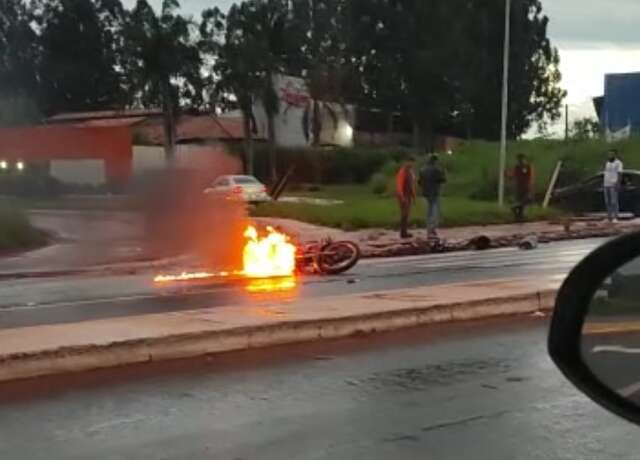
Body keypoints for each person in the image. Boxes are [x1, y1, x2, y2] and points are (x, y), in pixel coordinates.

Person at [419, 154, 447, 238]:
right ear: (435, 161)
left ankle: (428, 231)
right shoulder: (436, 170)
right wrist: (444, 172)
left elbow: (419, 182)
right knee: (435, 214)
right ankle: (432, 230)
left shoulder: (422, 170)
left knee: (428, 214)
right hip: (434, 194)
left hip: (425, 194)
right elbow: (443, 180)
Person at [395, 157, 416, 239]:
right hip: (403, 195)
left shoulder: (410, 171)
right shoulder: (402, 172)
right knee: (404, 214)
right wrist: (402, 196)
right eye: (410, 162)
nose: (412, 164)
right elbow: (399, 185)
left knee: (406, 214)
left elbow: (411, 184)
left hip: (408, 195)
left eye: (412, 163)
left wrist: (413, 196)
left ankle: (404, 231)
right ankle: (403, 233)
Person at [510, 154, 535, 222]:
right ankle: (518, 216)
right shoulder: (517, 167)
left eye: (522, 159)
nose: (521, 161)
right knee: (522, 200)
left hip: (525, 186)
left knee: (526, 200)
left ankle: (518, 213)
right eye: (520, 160)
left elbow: (531, 176)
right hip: (520, 186)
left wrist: (530, 184)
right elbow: (514, 175)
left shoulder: (528, 166)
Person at [603, 149, 624, 223]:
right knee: (607, 201)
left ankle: (615, 217)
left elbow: (620, 173)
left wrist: (618, 183)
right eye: (609, 154)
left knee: (614, 201)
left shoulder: (618, 163)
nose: (610, 155)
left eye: (612, 154)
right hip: (606, 184)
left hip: (613, 184)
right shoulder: (607, 163)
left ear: (615, 155)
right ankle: (609, 217)